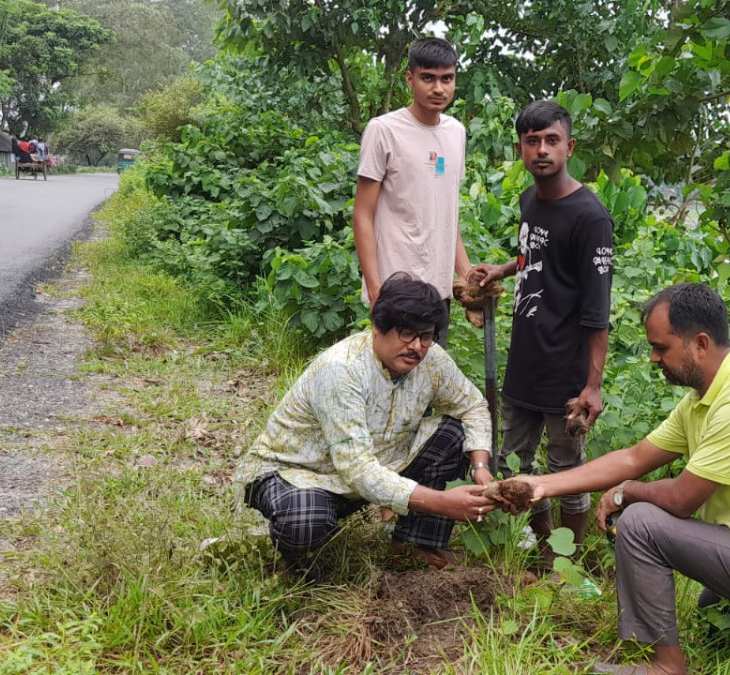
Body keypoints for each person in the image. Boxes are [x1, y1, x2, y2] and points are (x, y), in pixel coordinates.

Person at [504, 283, 730, 675]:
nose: (653, 358)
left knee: (640, 523)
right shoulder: (708, 395)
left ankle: (665, 668)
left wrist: (625, 494)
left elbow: (682, 498)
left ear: (700, 343)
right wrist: (543, 485)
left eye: (661, 347)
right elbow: (635, 457)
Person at [233, 274, 497, 571]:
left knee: (454, 433)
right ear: (376, 327)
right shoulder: (342, 370)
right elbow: (357, 468)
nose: (417, 347)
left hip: (373, 467)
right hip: (295, 472)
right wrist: (442, 502)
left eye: (426, 336)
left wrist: (481, 468)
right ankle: (299, 565)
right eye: (406, 333)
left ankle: (414, 545)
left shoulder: (432, 360)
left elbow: (472, 405)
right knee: (305, 521)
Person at [467, 101, 614, 563]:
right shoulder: (530, 200)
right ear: (521, 149)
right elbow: (538, 256)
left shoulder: (591, 217)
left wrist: (592, 385)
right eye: (533, 142)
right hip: (525, 362)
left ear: (569, 147)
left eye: (552, 141)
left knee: (567, 471)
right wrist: (504, 269)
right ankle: (538, 549)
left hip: (566, 374)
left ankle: (565, 563)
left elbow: (597, 309)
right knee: (513, 462)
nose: (542, 150)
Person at [352, 37, 472, 343]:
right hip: (397, 290)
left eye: (447, 79)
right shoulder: (384, 130)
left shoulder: (456, 133)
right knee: (392, 379)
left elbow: (447, 212)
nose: (438, 88)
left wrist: (466, 274)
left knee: (430, 380)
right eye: (428, 78)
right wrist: (376, 290)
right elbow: (363, 215)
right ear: (410, 79)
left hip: (439, 291)